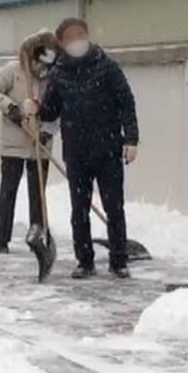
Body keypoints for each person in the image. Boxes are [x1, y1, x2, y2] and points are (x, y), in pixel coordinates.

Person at [36, 17, 138, 279]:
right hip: (76, 152)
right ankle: (85, 261)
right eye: (70, 38)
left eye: (80, 35)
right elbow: (50, 111)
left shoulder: (107, 67)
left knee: (114, 207)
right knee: (78, 209)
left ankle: (118, 260)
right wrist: (34, 107)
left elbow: (126, 102)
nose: (76, 41)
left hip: (108, 149)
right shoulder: (58, 74)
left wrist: (131, 139)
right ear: (61, 43)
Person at [0, 30, 58, 254]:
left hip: (40, 144)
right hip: (13, 143)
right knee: (8, 192)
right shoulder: (12, 71)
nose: (42, 70)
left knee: (38, 195)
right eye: (39, 63)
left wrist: (46, 128)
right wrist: (11, 107)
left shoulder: (53, 77)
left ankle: (38, 238)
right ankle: (2, 239)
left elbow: (56, 109)